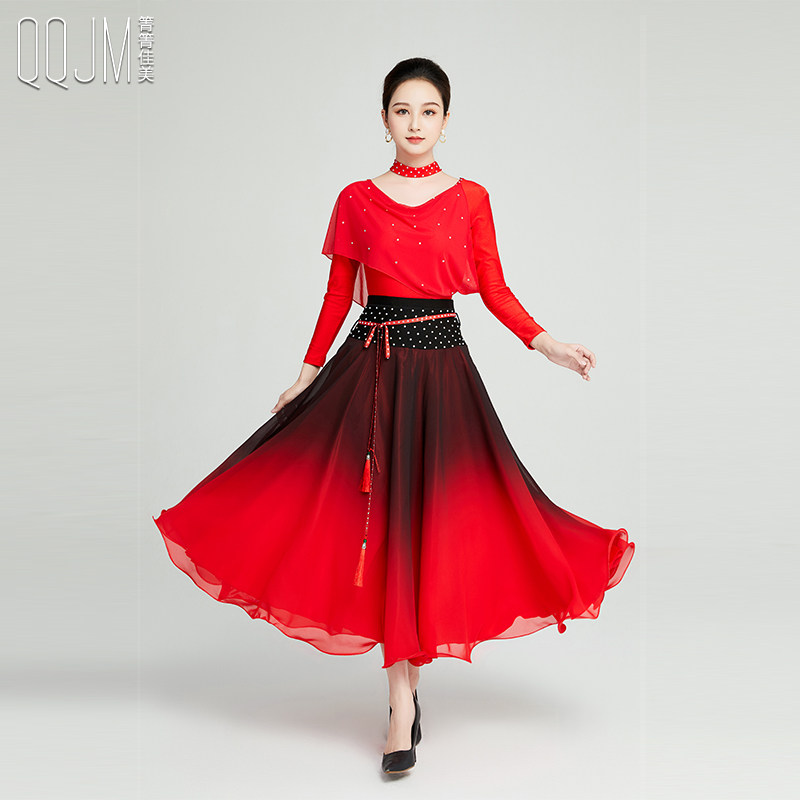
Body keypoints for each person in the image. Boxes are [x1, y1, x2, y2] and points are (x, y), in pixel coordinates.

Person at [153, 57, 635, 776]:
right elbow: (336, 294)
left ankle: (403, 696)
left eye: (428, 111)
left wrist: (548, 344)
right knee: (371, 526)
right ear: (384, 120)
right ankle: (402, 705)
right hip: (372, 373)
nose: (415, 123)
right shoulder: (356, 198)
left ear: (446, 120)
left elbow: (494, 288)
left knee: (439, 522)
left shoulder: (470, 198)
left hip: (441, 375)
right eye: (402, 110)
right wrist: (307, 373)